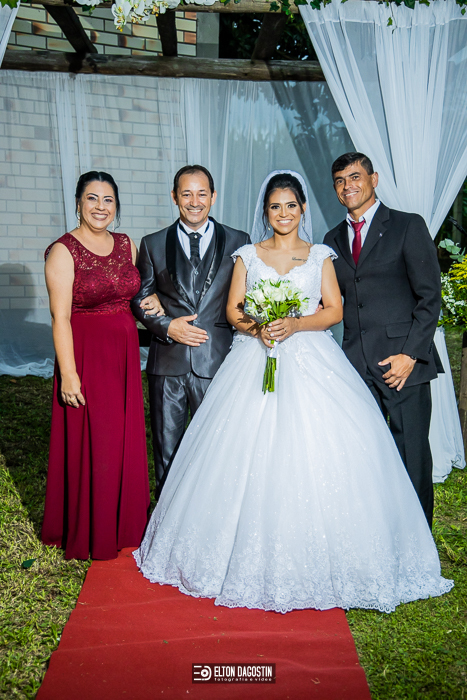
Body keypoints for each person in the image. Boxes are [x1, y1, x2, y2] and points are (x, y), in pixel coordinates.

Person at [133, 170, 453, 613]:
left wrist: (296, 324)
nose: (283, 213)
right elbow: (234, 309)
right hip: (254, 358)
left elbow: (335, 309)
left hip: (311, 358)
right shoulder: (248, 254)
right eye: (274, 207)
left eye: (290, 205)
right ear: (265, 212)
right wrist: (258, 328)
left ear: (302, 209)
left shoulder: (321, 254)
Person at [323, 153, 442, 528]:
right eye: (340, 181)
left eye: (355, 177)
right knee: (366, 456)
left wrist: (410, 355)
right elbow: (330, 300)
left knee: (411, 454)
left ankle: (418, 539)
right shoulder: (331, 240)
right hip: (355, 367)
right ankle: (378, 533)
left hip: (402, 365)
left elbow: (430, 298)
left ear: (373, 179)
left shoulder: (407, 225)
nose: (348, 186)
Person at [42, 171, 154, 560]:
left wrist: (157, 309)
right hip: (86, 357)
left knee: (121, 439)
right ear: (78, 203)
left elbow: (136, 298)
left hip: (123, 357)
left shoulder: (126, 244)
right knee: (96, 442)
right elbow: (59, 318)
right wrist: (69, 374)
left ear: (116, 206)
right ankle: (94, 528)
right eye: (92, 198)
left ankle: (125, 525)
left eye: (108, 200)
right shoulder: (63, 251)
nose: (100, 207)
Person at [131, 165, 250, 498]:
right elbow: (139, 298)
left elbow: (249, 296)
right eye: (186, 194)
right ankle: (166, 516)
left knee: (219, 449)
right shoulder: (152, 243)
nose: (194, 202)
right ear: (174, 197)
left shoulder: (239, 242)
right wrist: (168, 326)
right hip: (167, 364)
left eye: (201, 194)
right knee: (166, 451)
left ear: (213, 196)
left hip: (218, 363)